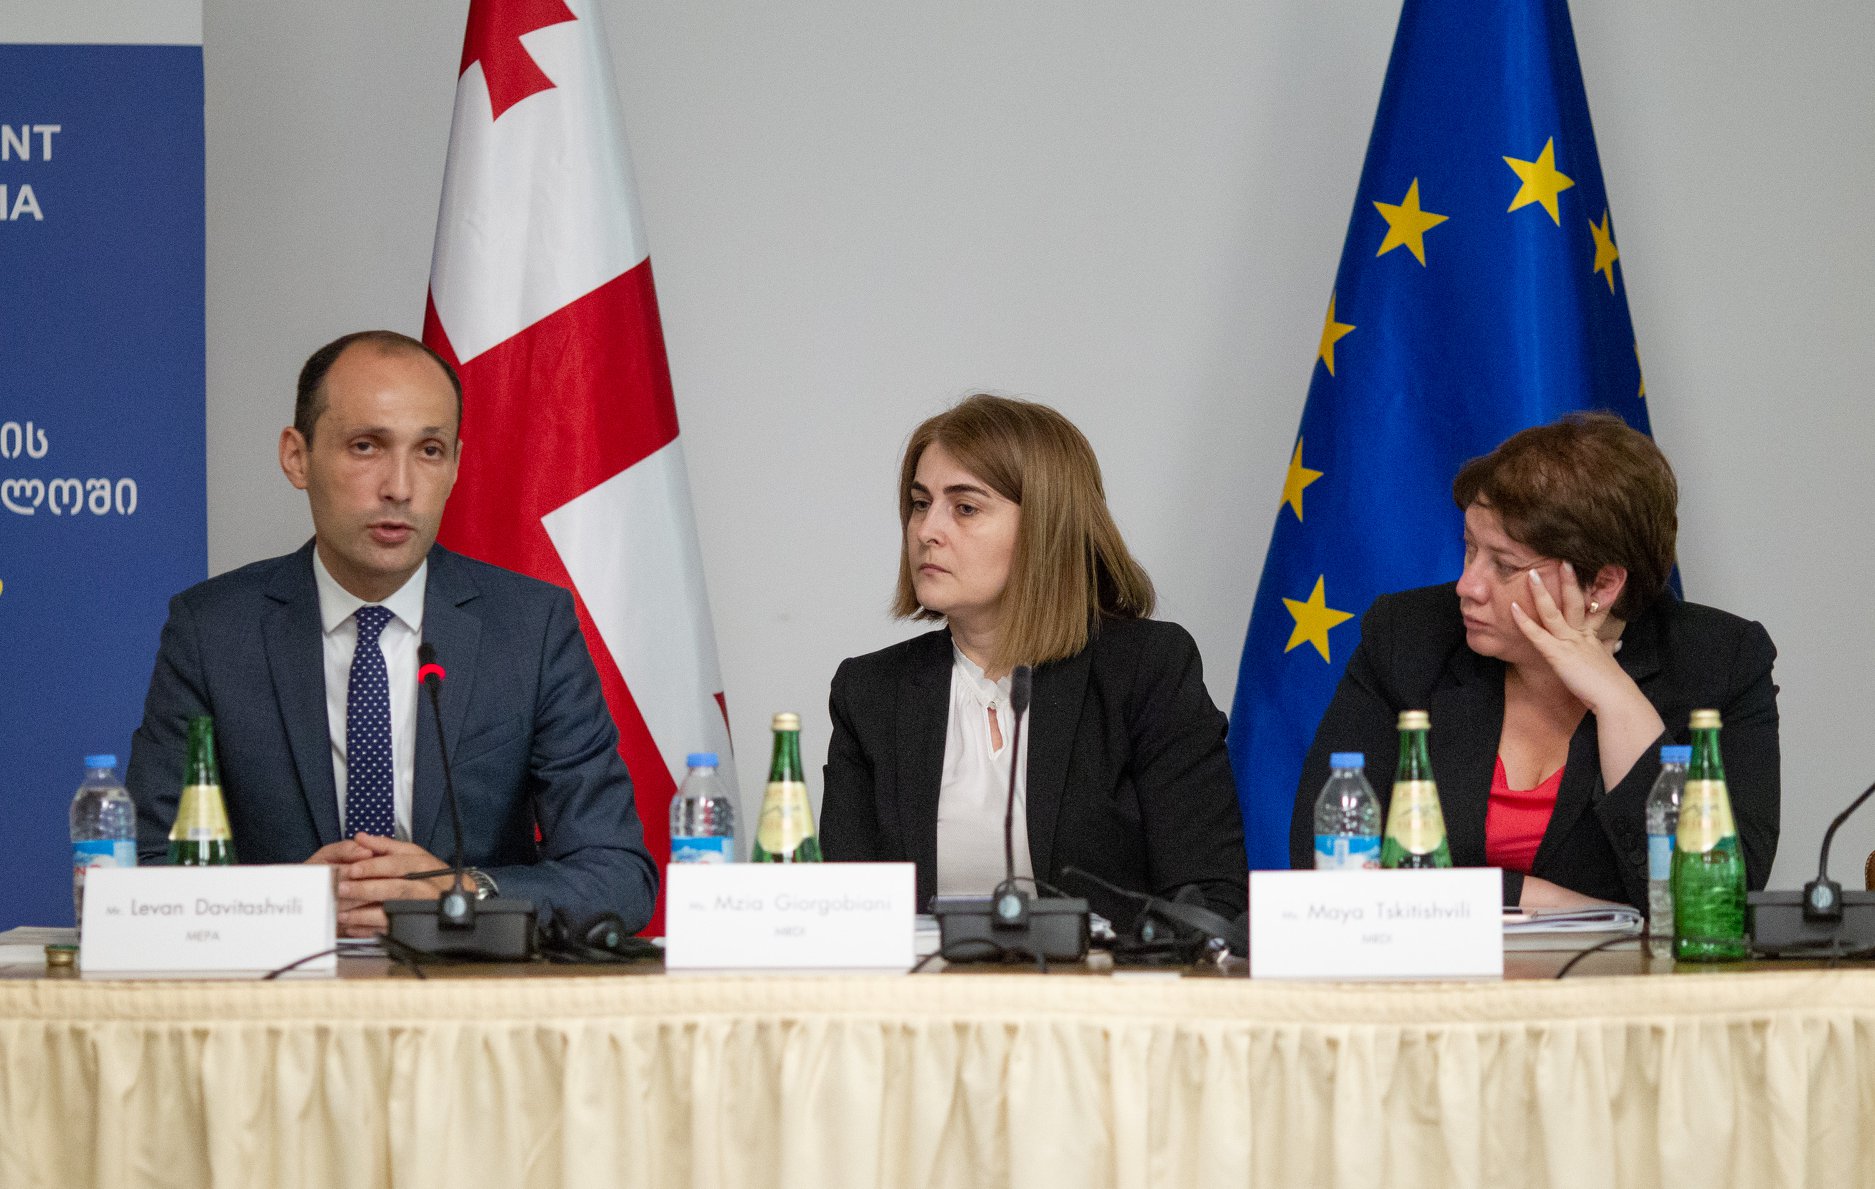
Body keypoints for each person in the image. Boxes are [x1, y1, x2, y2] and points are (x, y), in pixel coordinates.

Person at [128, 330, 658, 935]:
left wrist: (463, 893)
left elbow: (618, 875)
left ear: (455, 465)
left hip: (468, 983)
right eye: (366, 446)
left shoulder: (530, 628)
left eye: (429, 450)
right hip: (285, 984)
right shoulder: (213, 631)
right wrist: (287, 900)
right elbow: (142, 868)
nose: (400, 488)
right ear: (297, 457)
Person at [1289, 412, 1779, 910]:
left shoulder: (1720, 664)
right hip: (1435, 960)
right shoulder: (1409, 637)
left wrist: (1615, 699)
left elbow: (1717, 900)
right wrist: (1554, 902)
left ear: (1603, 584)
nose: (1468, 586)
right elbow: (1325, 863)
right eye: (1470, 550)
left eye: (1504, 565)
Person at [819, 394, 1247, 927]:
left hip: (1108, 980)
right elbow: (845, 911)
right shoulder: (871, 692)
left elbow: (1209, 897)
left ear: (1047, 528)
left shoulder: (1144, 669)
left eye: (965, 508)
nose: (927, 530)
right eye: (920, 503)